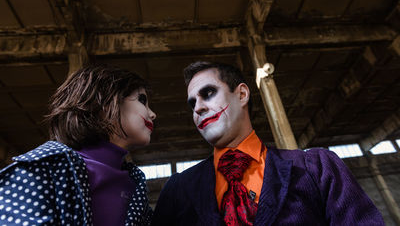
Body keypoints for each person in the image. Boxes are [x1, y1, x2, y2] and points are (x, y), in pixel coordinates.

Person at [152, 61, 384, 226]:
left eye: (209, 93)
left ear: (242, 94)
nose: (198, 108)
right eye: (192, 104)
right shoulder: (177, 191)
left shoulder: (316, 167)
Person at [0, 64, 156, 226]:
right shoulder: (43, 167)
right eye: (142, 100)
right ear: (105, 102)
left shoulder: (135, 182)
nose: (153, 114)